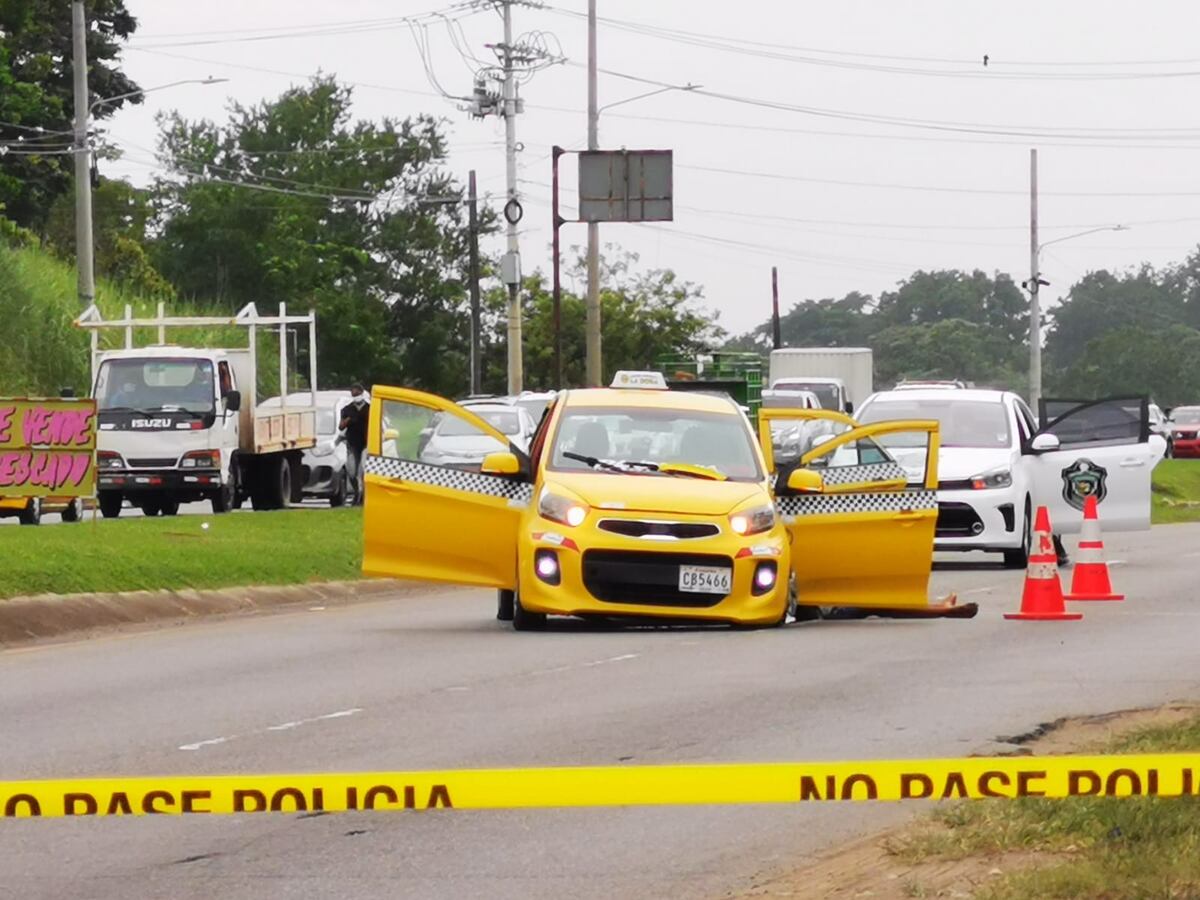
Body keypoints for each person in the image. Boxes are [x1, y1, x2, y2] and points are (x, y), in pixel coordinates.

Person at [339, 383, 370, 506]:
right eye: (353, 393)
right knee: (351, 472)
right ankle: (357, 492)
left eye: (357, 393)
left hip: (366, 444)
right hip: (352, 444)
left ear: (362, 393)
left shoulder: (369, 408)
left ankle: (363, 496)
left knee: (361, 471)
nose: (355, 395)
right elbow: (341, 427)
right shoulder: (347, 409)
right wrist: (348, 420)